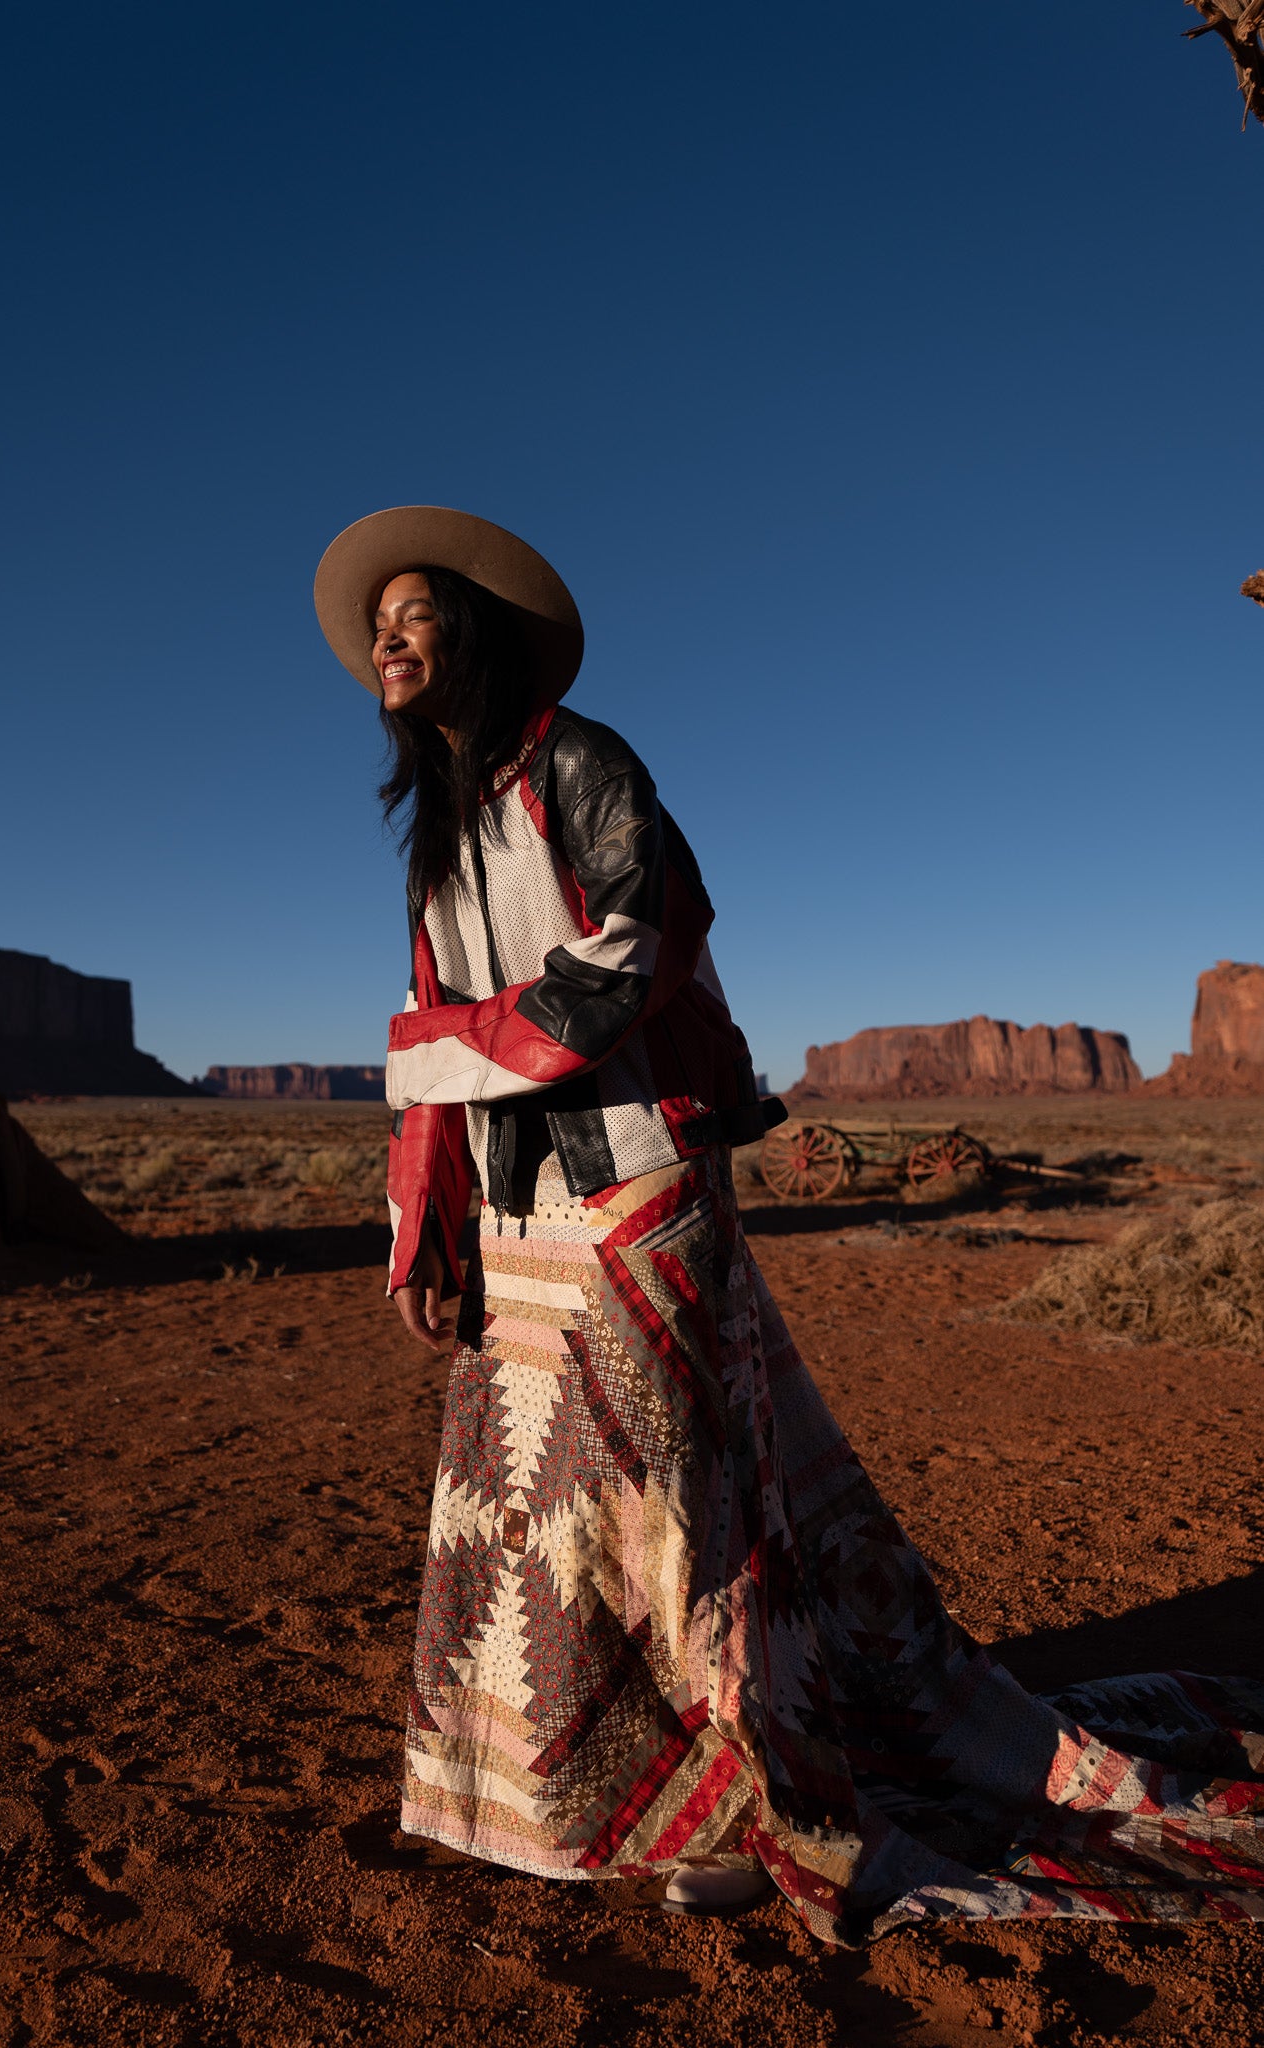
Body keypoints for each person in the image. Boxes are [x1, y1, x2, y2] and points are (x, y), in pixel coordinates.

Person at [314, 506, 1264, 1942]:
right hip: (522, 1219)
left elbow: (644, 939)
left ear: (477, 633)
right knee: (535, 1508)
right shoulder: (439, 834)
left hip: (636, 1185)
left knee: (682, 1509)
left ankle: (776, 1801)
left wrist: (440, 1046)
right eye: (375, 623)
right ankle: (579, 1795)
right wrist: (425, 1228)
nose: (386, 638)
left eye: (415, 612)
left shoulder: (583, 761)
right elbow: (433, 1074)